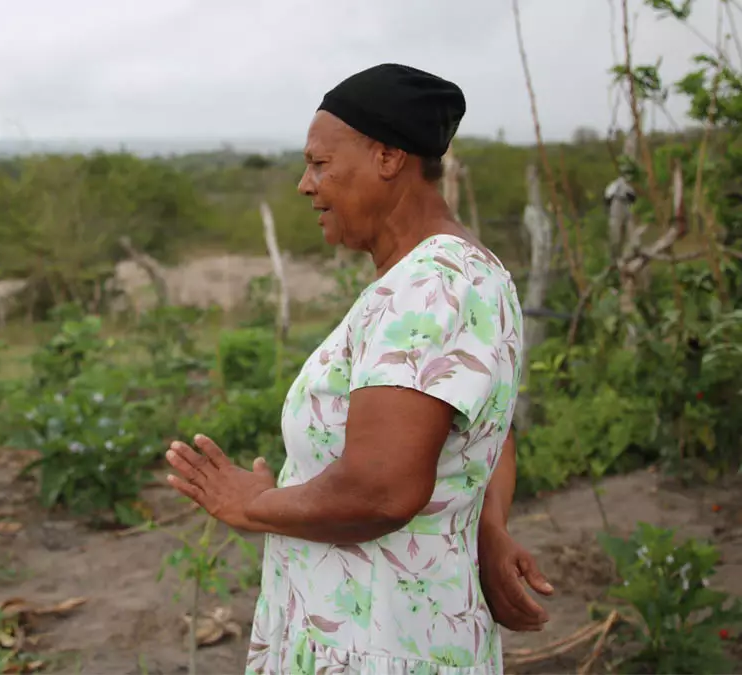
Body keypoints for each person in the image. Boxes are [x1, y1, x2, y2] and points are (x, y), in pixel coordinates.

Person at [164, 63, 552, 674]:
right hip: (380, 628)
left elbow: (382, 489)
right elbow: (485, 430)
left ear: (388, 157)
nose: (304, 184)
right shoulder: (450, 274)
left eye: (319, 164)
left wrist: (253, 504)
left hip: (378, 643)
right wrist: (485, 525)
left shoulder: (431, 287)